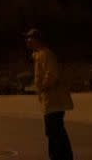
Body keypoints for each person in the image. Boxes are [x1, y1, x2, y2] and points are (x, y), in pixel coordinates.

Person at [25, 28, 75, 160]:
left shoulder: (45, 54)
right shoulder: (38, 55)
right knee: (55, 132)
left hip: (55, 100)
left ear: (37, 40)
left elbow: (52, 74)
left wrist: (42, 87)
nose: (27, 41)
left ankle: (59, 157)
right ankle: (62, 156)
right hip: (50, 101)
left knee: (55, 132)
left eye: (30, 38)